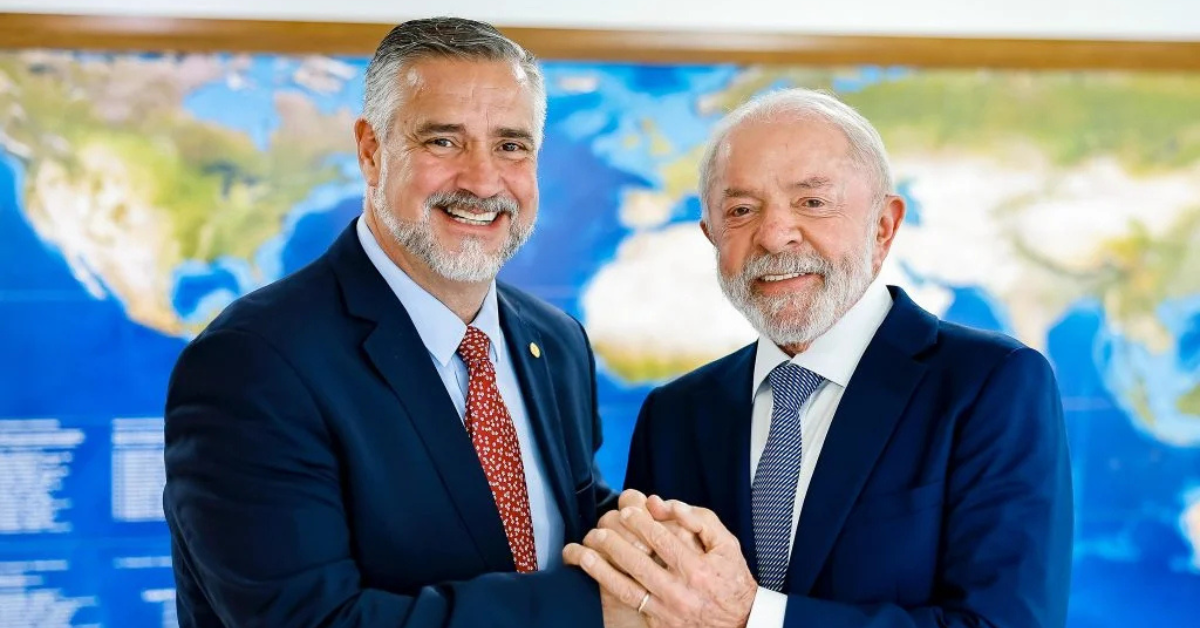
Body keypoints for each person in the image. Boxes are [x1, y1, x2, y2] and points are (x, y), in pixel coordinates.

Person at [163, 17, 622, 628]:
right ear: (372, 151)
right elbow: (310, 620)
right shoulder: (253, 363)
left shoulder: (555, 341)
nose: (483, 180)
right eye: (443, 141)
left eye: (511, 145)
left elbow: (565, 519)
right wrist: (597, 608)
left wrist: (668, 555)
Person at [564, 88, 1074, 628]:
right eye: (741, 210)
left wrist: (752, 616)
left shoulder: (990, 386)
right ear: (712, 237)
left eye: (812, 202)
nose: (775, 235)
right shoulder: (676, 414)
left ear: (884, 226)